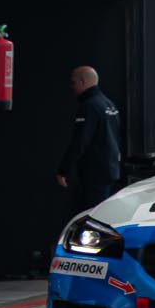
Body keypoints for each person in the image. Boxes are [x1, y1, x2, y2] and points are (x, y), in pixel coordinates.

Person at [58, 66, 123, 212]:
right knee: (102, 212)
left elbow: (80, 141)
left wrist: (63, 170)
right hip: (110, 169)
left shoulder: (90, 106)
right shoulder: (109, 104)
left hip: (94, 173)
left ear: (82, 82)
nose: (72, 87)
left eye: (73, 82)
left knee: (92, 215)